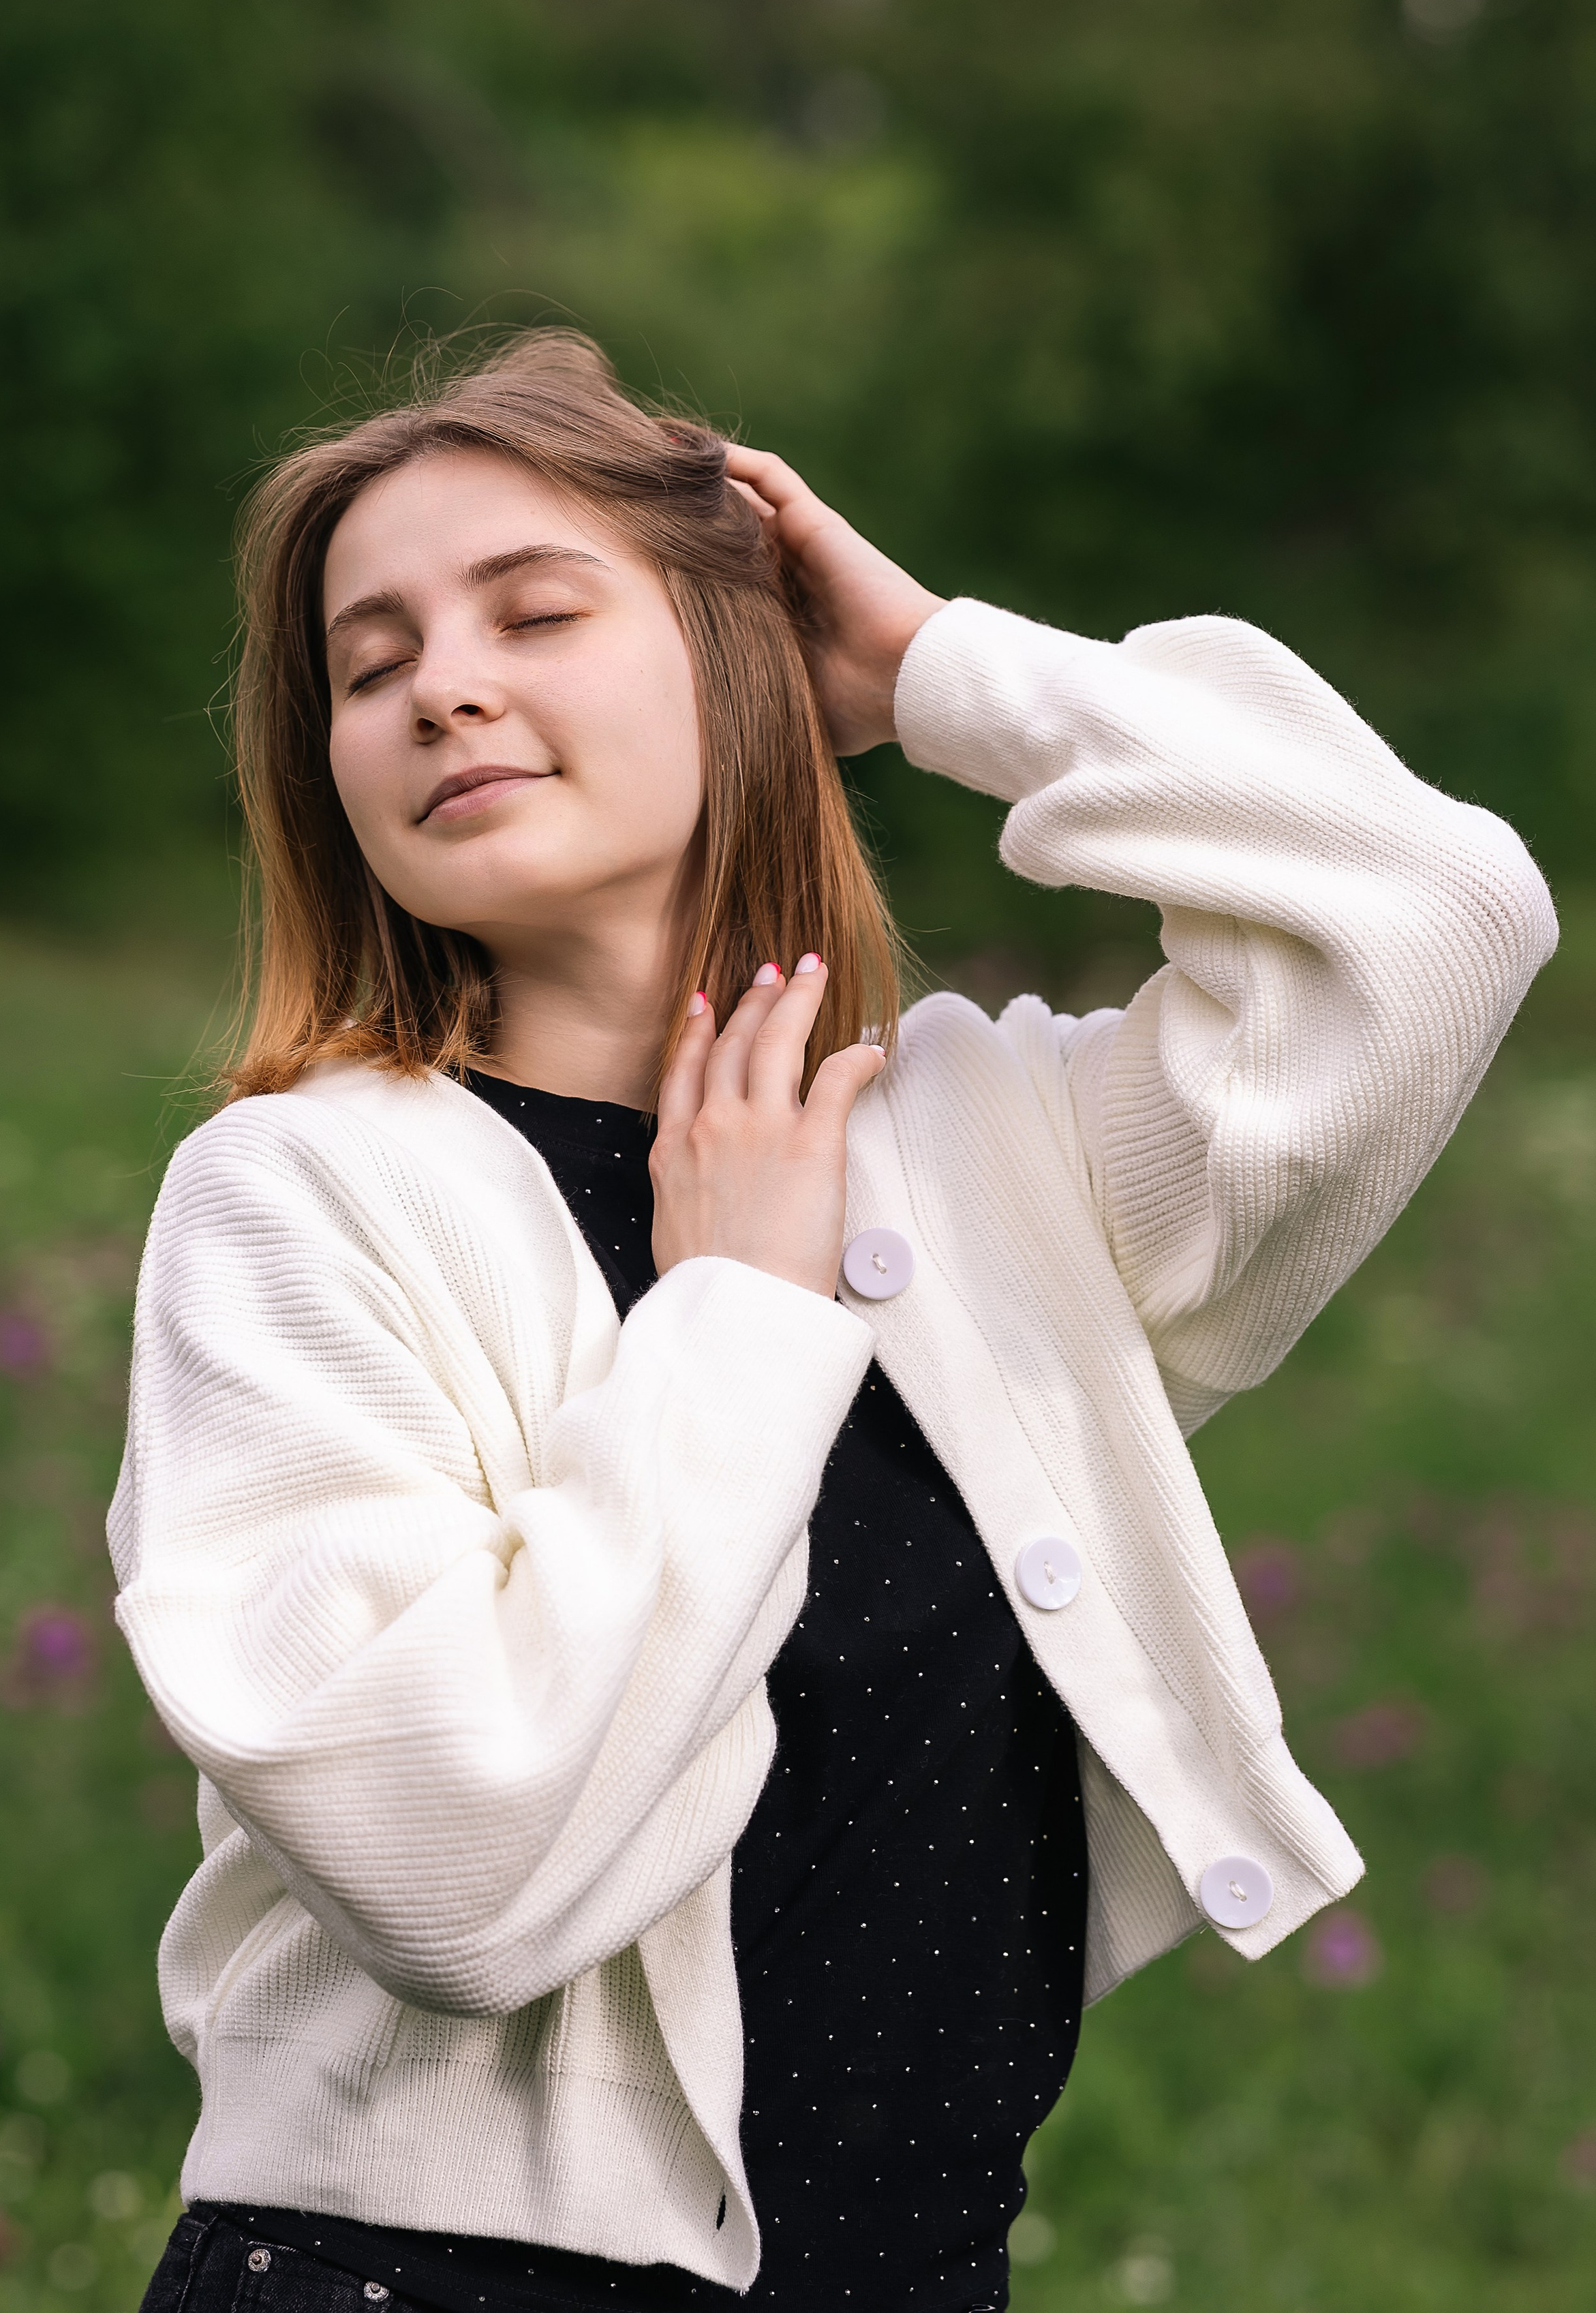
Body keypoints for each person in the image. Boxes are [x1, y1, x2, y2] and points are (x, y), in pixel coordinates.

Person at [117, 331, 1555, 2313]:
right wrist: (731, 1312)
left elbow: (1436, 909)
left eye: (534, 612)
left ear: (735, 663)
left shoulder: (993, 1157)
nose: (440, 684)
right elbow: (456, 1867)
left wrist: (940, 671)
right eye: (370, 666)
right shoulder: (300, 1195)